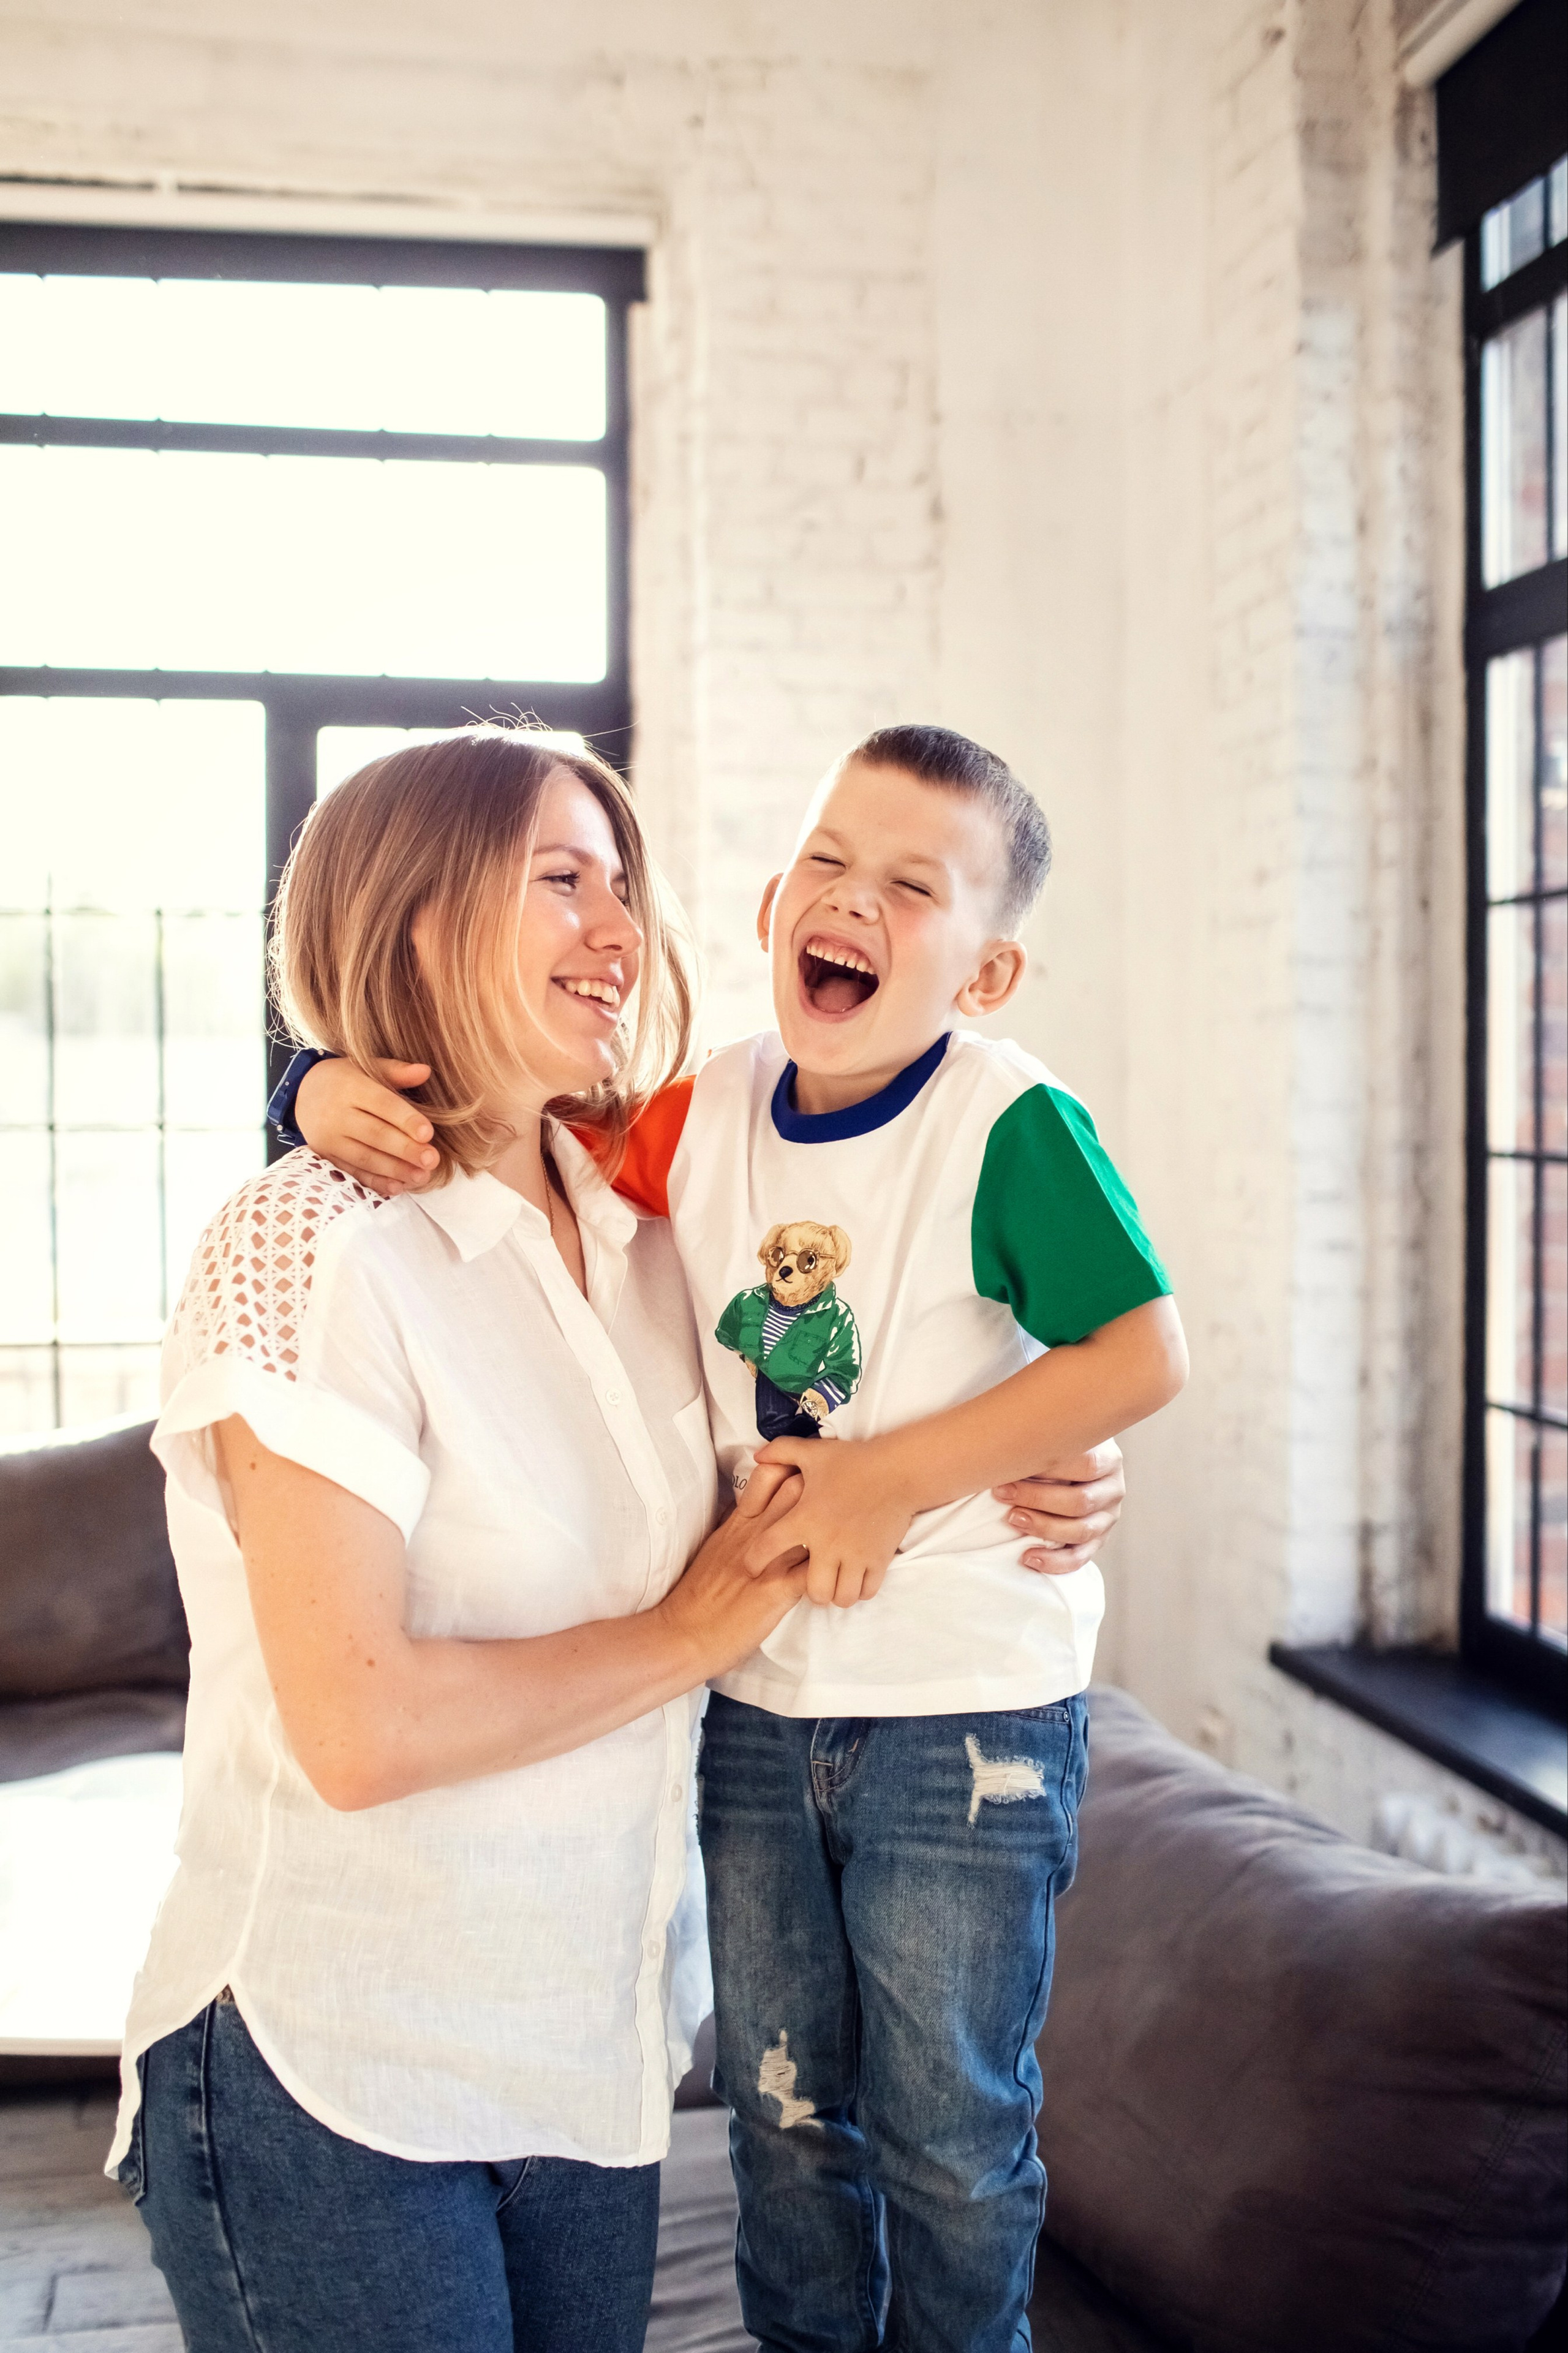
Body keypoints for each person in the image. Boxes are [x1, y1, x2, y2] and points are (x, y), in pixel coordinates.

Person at [285, 722, 1186, 2353]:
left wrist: (903, 1474)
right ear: (776, 900)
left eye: (915, 886)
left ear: (986, 974)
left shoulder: (1006, 1120)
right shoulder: (703, 1117)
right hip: (757, 1713)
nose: (855, 898)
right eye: (831, 862)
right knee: (779, 2115)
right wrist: (314, 1081)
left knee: (952, 2138)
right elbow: (500, 1119)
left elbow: (1139, 1352)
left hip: (962, 1719)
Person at [107, 730, 821, 2353]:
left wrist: (1056, 1460)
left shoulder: (667, 1226)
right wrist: (691, 1633)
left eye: (624, 886)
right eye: (560, 880)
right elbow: (360, 1728)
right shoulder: (310, 1242)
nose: (618, 930)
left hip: (586, 2043)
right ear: (415, 921)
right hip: (328, 2057)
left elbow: (890, 1332)